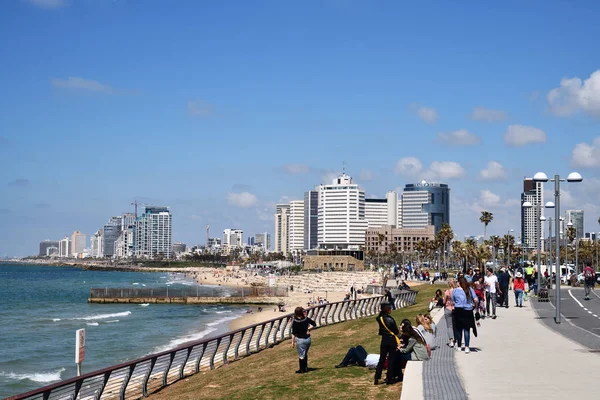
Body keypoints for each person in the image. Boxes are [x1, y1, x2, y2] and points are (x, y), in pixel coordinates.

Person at [374, 302, 400, 385]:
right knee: (391, 359)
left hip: (384, 340)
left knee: (382, 359)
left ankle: (377, 377)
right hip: (391, 340)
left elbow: (378, 317)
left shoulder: (380, 318)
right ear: (387, 309)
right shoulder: (390, 319)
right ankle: (389, 378)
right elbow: (395, 331)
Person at [452, 276, 478, 353]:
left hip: (458, 310)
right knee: (467, 329)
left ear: (459, 283)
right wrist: (474, 306)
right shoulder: (470, 289)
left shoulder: (455, 290)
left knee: (458, 329)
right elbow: (476, 300)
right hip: (468, 311)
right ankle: (467, 347)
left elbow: (453, 301)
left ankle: (459, 346)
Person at [291, 307, 316, 374]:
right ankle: (305, 367)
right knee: (305, 353)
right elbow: (314, 324)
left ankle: (302, 370)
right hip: (308, 339)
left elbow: (294, 333)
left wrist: (292, 342)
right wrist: (308, 329)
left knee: (301, 355)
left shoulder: (295, 322)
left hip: (300, 340)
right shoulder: (306, 319)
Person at [443, 280, 455, 347]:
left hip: (448, 308)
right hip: (455, 308)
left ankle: (451, 340)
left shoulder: (447, 292)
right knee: (455, 325)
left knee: (449, 326)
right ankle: (456, 339)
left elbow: (444, 302)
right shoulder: (456, 291)